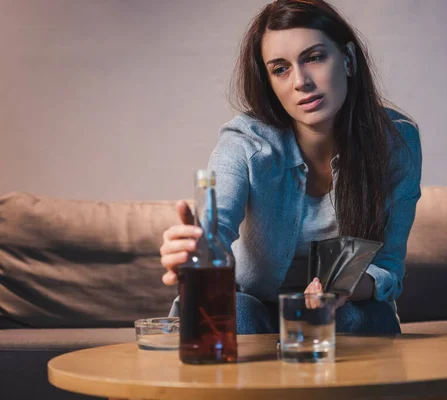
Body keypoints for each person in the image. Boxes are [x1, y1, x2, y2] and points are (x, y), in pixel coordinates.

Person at [160, 0, 422, 335]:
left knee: (365, 317)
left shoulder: (396, 141)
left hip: (337, 313)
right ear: (269, 82)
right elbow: (217, 229)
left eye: (314, 57)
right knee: (237, 310)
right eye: (280, 69)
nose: (300, 81)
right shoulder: (245, 143)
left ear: (348, 60)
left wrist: (342, 287)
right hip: (252, 311)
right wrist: (198, 250)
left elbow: (387, 267)